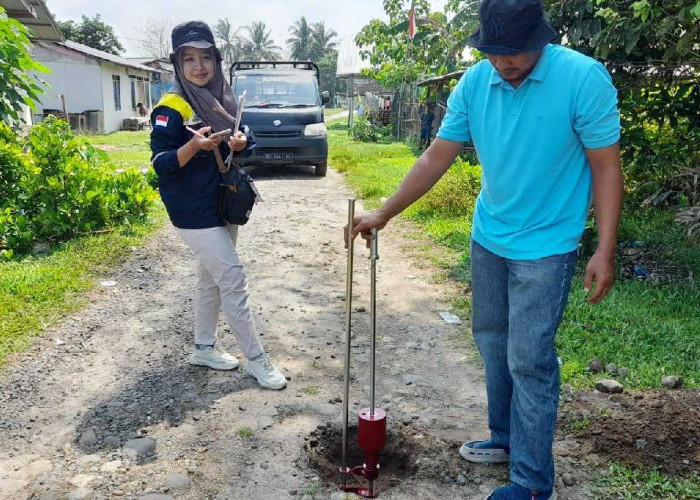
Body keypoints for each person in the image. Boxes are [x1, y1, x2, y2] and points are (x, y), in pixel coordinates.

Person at [349, 0, 622, 498]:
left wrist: (604, 249)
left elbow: (605, 166)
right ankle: (505, 438)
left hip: (548, 245)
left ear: (542, 39)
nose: (503, 62)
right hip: (489, 237)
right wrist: (383, 213)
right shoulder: (475, 83)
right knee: (492, 342)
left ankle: (534, 482)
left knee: (530, 360)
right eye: (494, 52)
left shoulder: (584, 79)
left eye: (514, 52)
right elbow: (436, 157)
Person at [149, 20, 287, 390]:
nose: (199, 67)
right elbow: (160, 164)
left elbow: (246, 134)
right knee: (233, 278)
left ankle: (203, 348)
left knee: (210, 278)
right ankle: (256, 359)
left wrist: (241, 142)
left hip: (222, 201)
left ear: (217, 60)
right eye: (189, 58)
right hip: (192, 211)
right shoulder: (171, 107)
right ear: (177, 64)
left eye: (206, 57)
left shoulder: (223, 97)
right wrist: (193, 146)